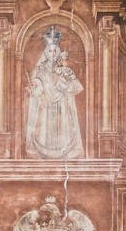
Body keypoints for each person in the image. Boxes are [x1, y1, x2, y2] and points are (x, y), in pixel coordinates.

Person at [25, 25, 83, 159]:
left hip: (62, 105)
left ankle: (64, 149)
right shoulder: (40, 69)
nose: (52, 54)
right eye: (49, 51)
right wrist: (34, 87)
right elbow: (37, 86)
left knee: (63, 127)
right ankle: (44, 150)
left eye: (54, 51)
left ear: (58, 52)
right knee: (44, 130)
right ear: (46, 52)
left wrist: (64, 84)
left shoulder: (64, 69)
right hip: (45, 106)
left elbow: (77, 87)